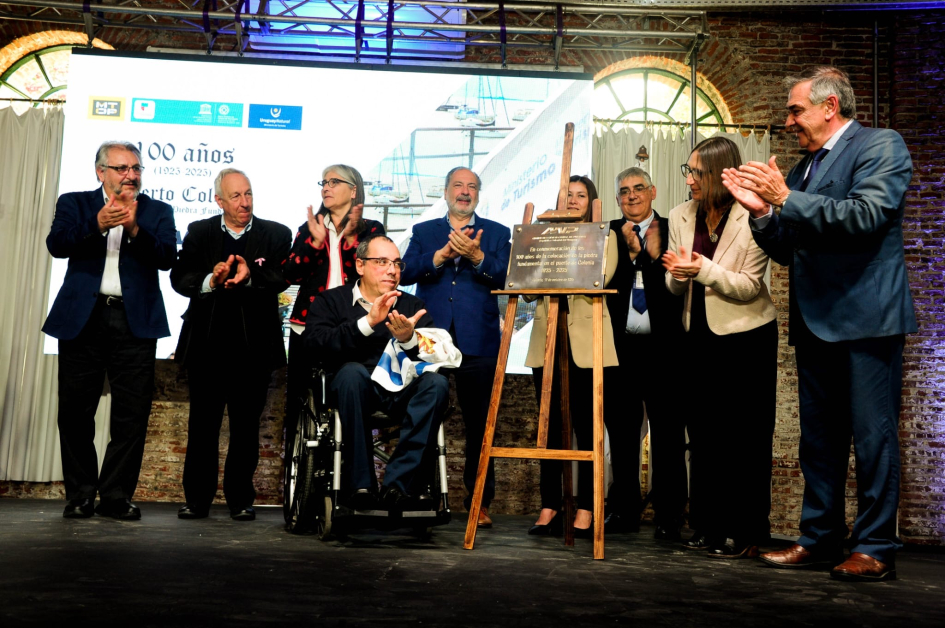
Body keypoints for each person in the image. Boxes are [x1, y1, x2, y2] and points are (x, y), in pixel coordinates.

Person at [721, 66, 915, 581]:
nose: (789, 121)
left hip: (867, 320)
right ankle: (821, 539)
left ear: (830, 107)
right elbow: (787, 248)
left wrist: (785, 198)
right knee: (819, 440)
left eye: (796, 110)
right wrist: (762, 212)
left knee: (873, 440)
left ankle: (874, 547)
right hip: (815, 321)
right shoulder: (807, 168)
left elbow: (865, 215)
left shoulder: (881, 145)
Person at [43, 140, 177, 520]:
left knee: (131, 416)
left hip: (134, 323)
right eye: (122, 168)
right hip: (82, 319)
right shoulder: (76, 203)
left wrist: (135, 228)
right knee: (74, 414)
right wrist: (96, 225)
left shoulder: (157, 210)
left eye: (136, 168)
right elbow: (57, 245)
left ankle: (116, 496)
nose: (131, 175)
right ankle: (81, 494)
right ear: (100, 172)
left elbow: (167, 258)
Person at [662, 136, 778, 558]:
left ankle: (748, 531)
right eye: (687, 171)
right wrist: (677, 274)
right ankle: (708, 525)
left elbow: (749, 287)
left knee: (745, 437)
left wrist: (703, 269)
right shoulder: (679, 215)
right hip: (698, 335)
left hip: (748, 336)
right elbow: (676, 286)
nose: (689, 179)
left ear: (716, 174)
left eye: (695, 172)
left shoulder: (753, 215)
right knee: (705, 435)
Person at [171, 168, 292, 521]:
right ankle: (197, 500)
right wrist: (212, 279)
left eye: (249, 194)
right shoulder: (200, 232)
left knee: (245, 428)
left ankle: (241, 499)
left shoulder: (275, 234)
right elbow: (180, 278)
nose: (245, 202)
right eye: (236, 196)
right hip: (207, 345)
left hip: (253, 347)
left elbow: (283, 277)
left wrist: (250, 275)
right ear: (219, 200)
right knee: (202, 427)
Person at [304, 234, 450, 509]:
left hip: (402, 389)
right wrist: (369, 322)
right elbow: (315, 345)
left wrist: (410, 339)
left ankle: (399, 485)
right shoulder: (331, 302)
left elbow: (437, 355)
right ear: (360, 266)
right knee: (351, 373)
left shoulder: (412, 306)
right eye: (382, 262)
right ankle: (360, 485)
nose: (392, 270)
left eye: (396, 263)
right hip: (354, 390)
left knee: (437, 384)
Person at [401, 166, 511, 528]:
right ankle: (418, 493)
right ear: (446, 191)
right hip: (430, 339)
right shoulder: (424, 231)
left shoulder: (496, 233)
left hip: (477, 341)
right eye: (458, 186)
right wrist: (441, 256)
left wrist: (478, 258)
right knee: (422, 416)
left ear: (479, 194)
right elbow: (405, 271)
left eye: (472, 187)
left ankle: (479, 500)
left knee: (481, 425)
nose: (465, 192)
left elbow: (508, 276)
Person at [525, 175, 618, 538]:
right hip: (547, 342)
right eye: (569, 194)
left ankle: (587, 509)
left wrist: (558, 265)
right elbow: (527, 287)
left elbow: (596, 277)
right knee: (549, 429)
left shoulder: (604, 238)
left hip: (586, 344)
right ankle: (550, 505)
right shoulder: (540, 237)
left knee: (588, 430)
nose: (575, 200)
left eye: (582, 195)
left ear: (592, 201)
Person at [283, 165, 384, 473]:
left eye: (334, 181)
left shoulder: (371, 229)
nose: (326, 187)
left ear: (353, 190)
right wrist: (314, 244)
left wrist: (351, 237)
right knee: (298, 405)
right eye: (323, 182)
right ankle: (297, 478)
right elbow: (289, 274)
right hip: (309, 328)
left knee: (353, 399)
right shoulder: (309, 227)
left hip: (356, 327)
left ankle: (356, 476)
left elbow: (373, 270)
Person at [604, 167, 687, 539]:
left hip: (665, 350)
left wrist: (644, 256)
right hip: (620, 350)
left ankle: (670, 516)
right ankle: (623, 511)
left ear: (653, 192)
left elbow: (676, 291)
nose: (632, 196)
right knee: (621, 436)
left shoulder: (674, 229)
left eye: (639, 189)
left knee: (668, 435)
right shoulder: (606, 234)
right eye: (624, 191)